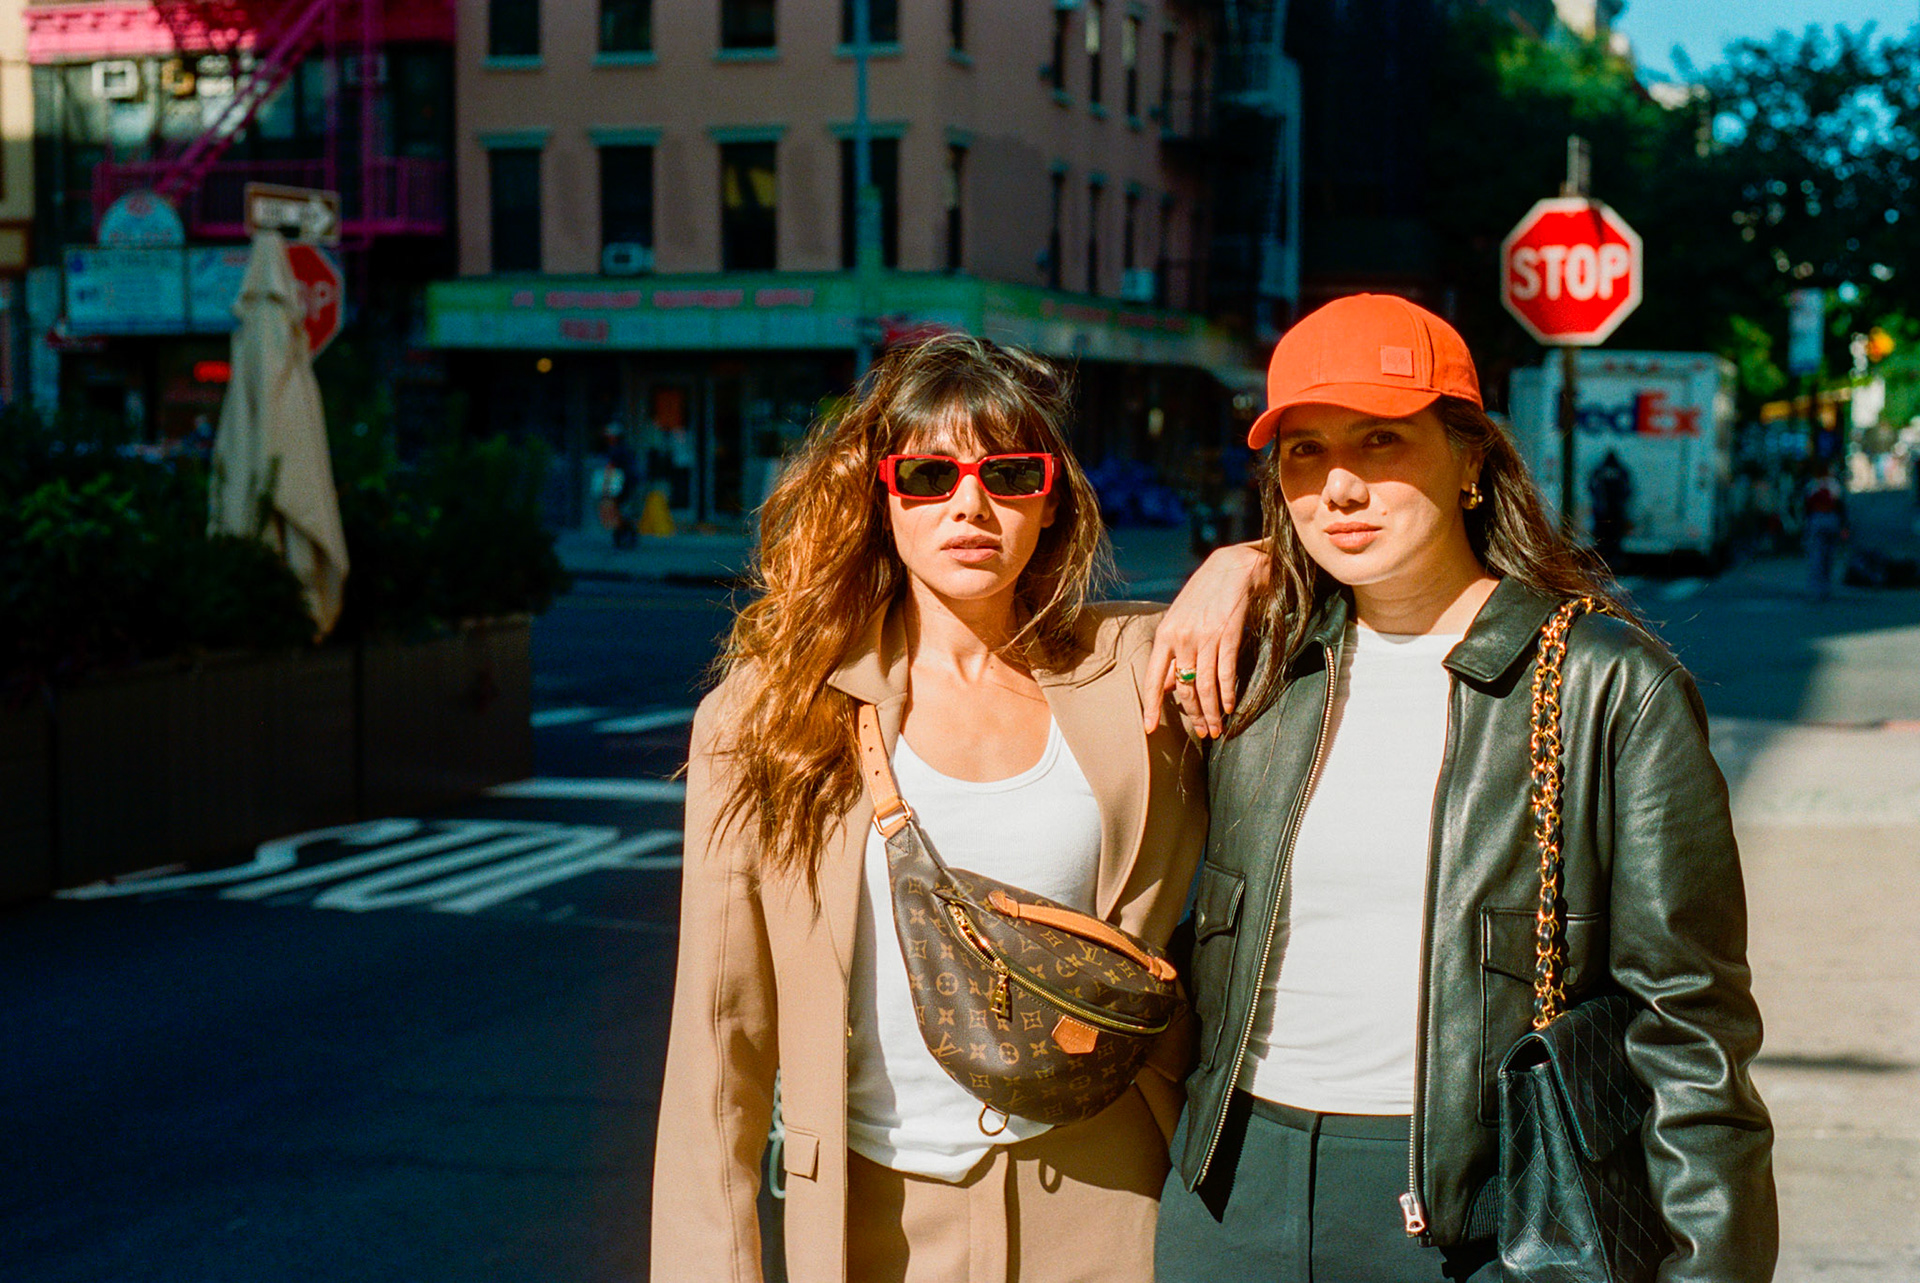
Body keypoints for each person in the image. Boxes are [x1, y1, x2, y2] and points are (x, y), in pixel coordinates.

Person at [1148, 294, 1776, 1282]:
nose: (1339, 487)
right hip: (1230, 1192)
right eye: (1305, 452)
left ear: (1471, 458)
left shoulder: (1606, 685)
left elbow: (1691, 1029)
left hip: (1480, 1216)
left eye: (1381, 441)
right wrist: (1238, 561)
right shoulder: (1256, 662)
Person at [652, 334, 1213, 1283]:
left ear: (1052, 498)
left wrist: (1239, 565)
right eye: (928, 473)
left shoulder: (1135, 672)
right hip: (877, 1220)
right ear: (882, 496)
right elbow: (720, 1041)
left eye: (1010, 473)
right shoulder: (767, 717)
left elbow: (1324, 613)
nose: (969, 504)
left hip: (1110, 1198)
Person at [1802, 458, 1850, 601]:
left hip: (1817, 519)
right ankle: (1825, 587)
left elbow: (1806, 507)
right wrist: (1844, 525)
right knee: (1828, 555)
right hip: (1831, 519)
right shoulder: (1833, 484)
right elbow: (1840, 506)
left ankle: (1817, 588)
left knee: (1817, 555)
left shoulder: (1812, 485)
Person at [1587, 448, 1632, 564]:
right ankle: (1614, 558)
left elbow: (1590, 486)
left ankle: (1601, 557)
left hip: (1601, 509)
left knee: (1601, 535)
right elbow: (1628, 489)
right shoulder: (1621, 471)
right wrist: (1622, 501)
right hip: (1616, 509)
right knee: (1615, 536)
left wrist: (1597, 501)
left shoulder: (1599, 470)